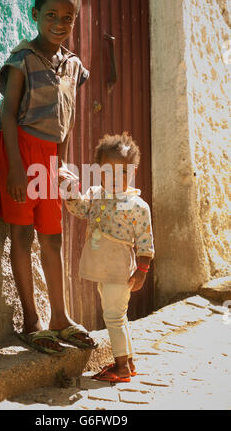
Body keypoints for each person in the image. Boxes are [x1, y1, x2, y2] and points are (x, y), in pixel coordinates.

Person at [0, 0, 96, 354]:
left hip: (50, 157)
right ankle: (32, 321)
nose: (59, 22)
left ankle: (60, 318)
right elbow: (8, 113)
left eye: (67, 17)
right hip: (18, 152)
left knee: (53, 237)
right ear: (35, 15)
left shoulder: (73, 66)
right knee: (22, 235)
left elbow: (64, 117)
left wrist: (62, 163)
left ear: (75, 20)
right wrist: (16, 169)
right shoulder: (22, 58)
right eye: (50, 14)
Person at [61, 132, 155, 381]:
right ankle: (129, 362)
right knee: (117, 313)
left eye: (124, 172)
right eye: (109, 171)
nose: (116, 177)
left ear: (133, 172)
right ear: (98, 171)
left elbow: (146, 243)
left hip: (119, 269)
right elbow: (81, 210)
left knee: (113, 316)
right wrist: (71, 193)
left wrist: (142, 270)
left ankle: (121, 367)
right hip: (103, 266)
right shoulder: (95, 194)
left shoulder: (137, 206)